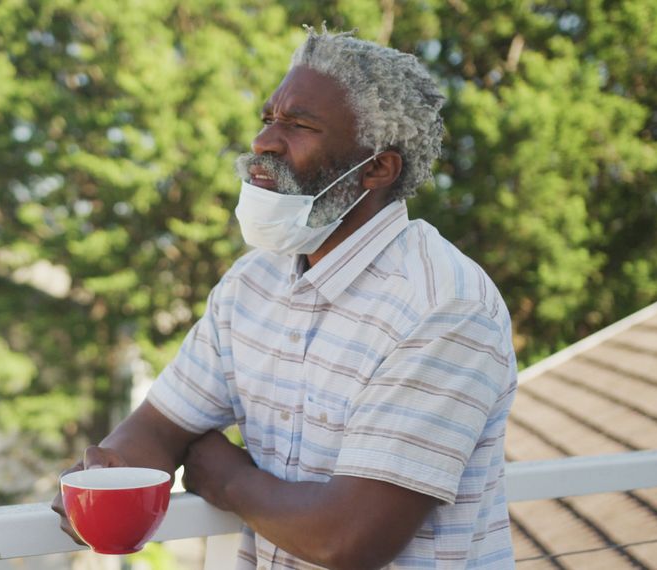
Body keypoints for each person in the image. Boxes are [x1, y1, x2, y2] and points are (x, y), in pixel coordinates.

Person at [53, 27, 517, 569]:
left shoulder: (444, 307)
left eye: (299, 125)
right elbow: (161, 426)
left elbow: (347, 539)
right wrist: (108, 473)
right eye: (268, 119)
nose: (264, 142)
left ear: (377, 167)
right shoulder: (252, 283)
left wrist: (226, 478)